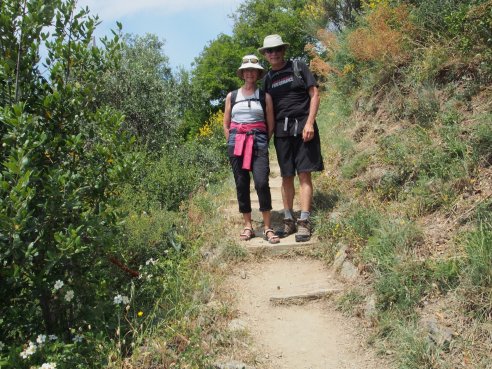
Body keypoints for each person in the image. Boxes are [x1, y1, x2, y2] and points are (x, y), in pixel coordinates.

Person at [258, 34, 324, 242]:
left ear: (283, 50)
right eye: (270, 51)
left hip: (304, 128)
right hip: (282, 133)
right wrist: (265, 138)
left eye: (277, 49)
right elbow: (267, 111)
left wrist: (310, 123)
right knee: (287, 176)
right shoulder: (267, 79)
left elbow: (314, 94)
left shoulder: (298, 66)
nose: (274, 53)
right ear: (266, 55)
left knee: (304, 175)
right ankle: (288, 220)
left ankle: (304, 222)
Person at [223, 54, 280, 244]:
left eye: (253, 70)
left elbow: (270, 124)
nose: (250, 73)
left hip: (258, 143)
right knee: (241, 184)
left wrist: (261, 139)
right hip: (236, 144)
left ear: (257, 73)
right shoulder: (232, 96)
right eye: (246, 70)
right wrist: (232, 142)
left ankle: (267, 227)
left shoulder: (265, 97)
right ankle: (248, 226)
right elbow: (226, 124)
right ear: (242, 73)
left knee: (262, 183)